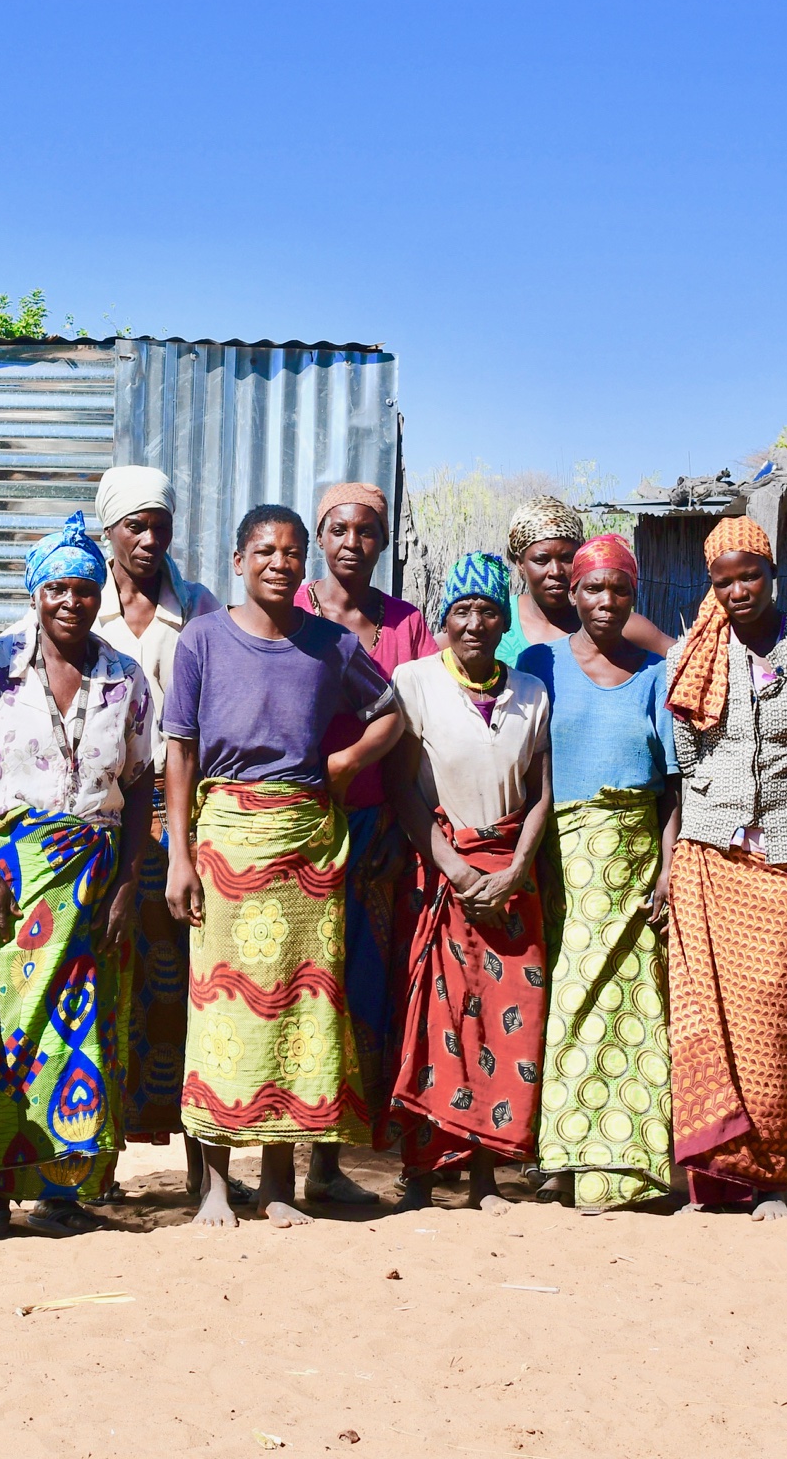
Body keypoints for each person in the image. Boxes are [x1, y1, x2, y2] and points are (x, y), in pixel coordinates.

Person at [164, 504, 401, 1227]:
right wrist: (179, 854)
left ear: (306, 567)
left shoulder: (330, 645)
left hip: (306, 848)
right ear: (239, 560)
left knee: (297, 1016)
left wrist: (347, 761)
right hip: (227, 843)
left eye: (293, 552)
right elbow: (179, 748)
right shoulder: (203, 638)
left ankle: (278, 1188)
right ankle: (210, 1186)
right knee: (220, 1013)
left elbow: (392, 711)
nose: (279, 562)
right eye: (265, 550)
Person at [0, 512, 155, 1238]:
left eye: (84, 589)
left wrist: (130, 884)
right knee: (5, 1027)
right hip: (14, 870)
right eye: (57, 589)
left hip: (96, 878)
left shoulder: (124, 678)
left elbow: (138, 789)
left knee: (81, 1030)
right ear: (34, 592)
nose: (72, 601)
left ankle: (64, 1190)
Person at [663, 516, 787, 1221]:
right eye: (724, 580)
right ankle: (710, 1183)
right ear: (710, 586)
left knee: (773, 1022)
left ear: (773, 574)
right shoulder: (697, 652)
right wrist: (709, 816)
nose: (739, 590)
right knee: (704, 1020)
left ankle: (769, 1179)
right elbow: (685, 757)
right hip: (709, 856)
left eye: (750, 575)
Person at [381, 553, 553, 1213]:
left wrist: (514, 871)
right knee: (434, 1026)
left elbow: (543, 793)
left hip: (512, 882)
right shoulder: (415, 681)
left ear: (505, 620)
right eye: (462, 611)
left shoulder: (531, 694)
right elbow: (399, 783)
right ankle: (422, 1176)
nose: (475, 623)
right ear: (442, 620)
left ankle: (486, 1177)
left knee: (510, 1029)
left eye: (488, 611)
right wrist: (454, 866)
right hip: (441, 874)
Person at [518, 533, 680, 1210]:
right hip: (560, 859)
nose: (605, 602)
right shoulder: (540, 665)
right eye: (592, 589)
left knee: (634, 1006)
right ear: (572, 595)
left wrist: (669, 869)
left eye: (619, 590)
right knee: (566, 998)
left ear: (633, 596)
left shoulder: (655, 674)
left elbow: (676, 784)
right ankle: (561, 1154)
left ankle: (634, 1165)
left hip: (635, 863)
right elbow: (522, 762)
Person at [296, 480, 438, 1205]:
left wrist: (404, 834)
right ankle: (276, 1156)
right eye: (340, 530)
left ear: (383, 542)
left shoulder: (408, 626)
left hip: (379, 832)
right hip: (296, 829)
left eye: (368, 532)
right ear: (320, 537)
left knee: (362, 994)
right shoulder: (292, 612)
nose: (354, 544)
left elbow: (418, 737)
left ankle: (330, 1161)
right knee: (295, 985)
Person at [90, 466, 226, 1199]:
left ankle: (201, 1173)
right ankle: (99, 1166)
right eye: (134, 526)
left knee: (184, 995)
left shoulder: (200, 610)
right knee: (110, 992)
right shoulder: (81, 602)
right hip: (106, 831)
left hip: (182, 831)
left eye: (159, 526)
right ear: (107, 532)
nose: (148, 539)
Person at [498, 496, 674, 667]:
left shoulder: (616, 623)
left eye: (567, 558)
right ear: (520, 563)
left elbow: (689, 660)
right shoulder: (497, 621)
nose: (556, 571)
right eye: (541, 560)